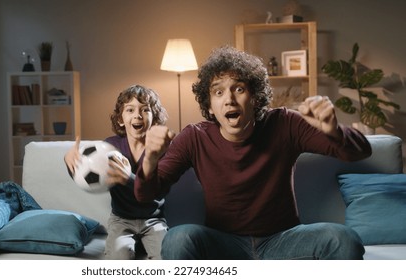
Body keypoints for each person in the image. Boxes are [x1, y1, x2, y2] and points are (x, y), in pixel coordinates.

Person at [134, 46, 372, 260]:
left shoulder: (285, 123)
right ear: (209, 105)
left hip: (283, 240)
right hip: (223, 244)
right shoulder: (195, 137)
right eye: (218, 92)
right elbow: (146, 196)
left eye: (239, 89)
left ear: (256, 98)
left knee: (342, 238)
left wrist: (333, 130)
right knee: (178, 237)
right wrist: (151, 160)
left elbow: (360, 151)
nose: (229, 100)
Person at [64, 85, 169, 260]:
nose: (137, 115)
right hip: (121, 220)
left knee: (165, 256)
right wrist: (71, 164)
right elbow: (86, 175)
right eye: (130, 110)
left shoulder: (160, 151)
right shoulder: (108, 148)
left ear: (154, 119)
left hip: (154, 220)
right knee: (119, 256)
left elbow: (157, 191)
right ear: (121, 119)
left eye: (145, 110)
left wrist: (128, 178)